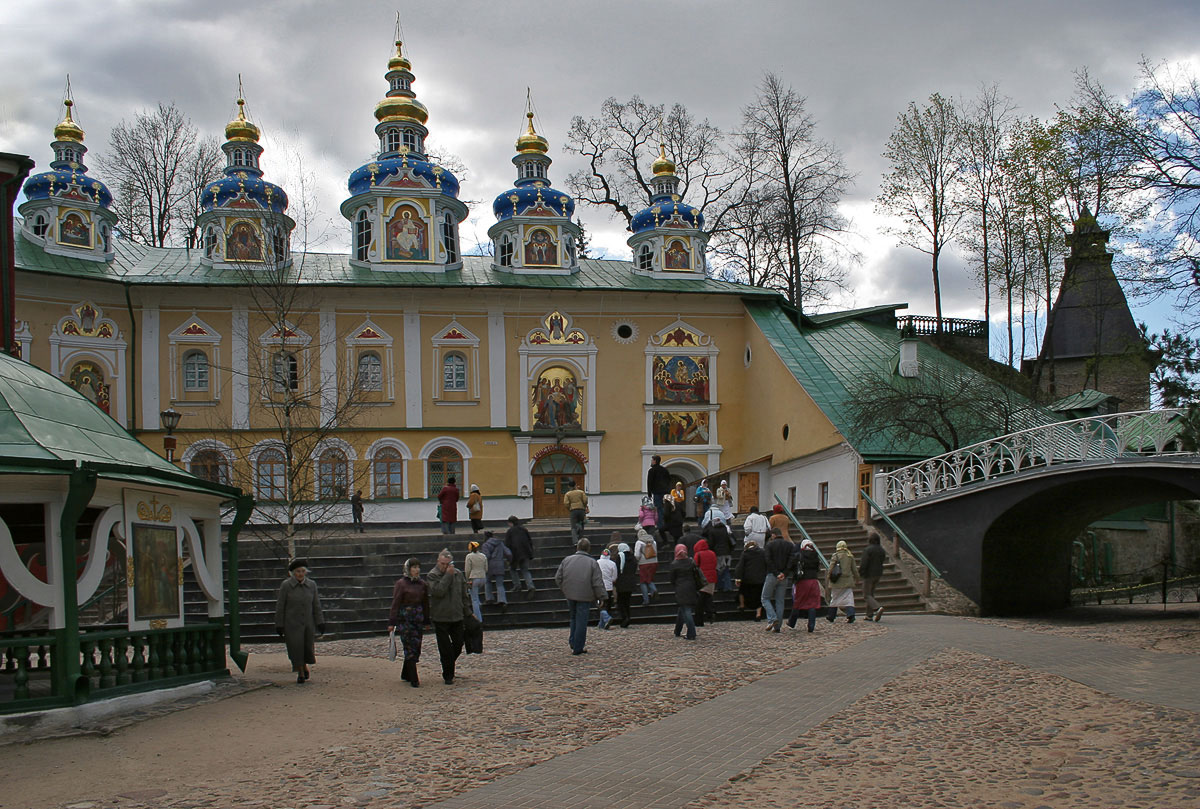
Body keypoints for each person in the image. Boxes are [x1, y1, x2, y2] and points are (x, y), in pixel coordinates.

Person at [275, 559, 325, 684]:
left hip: (307, 622)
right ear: (293, 573)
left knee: (307, 647)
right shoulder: (286, 585)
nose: (300, 574)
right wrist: (279, 624)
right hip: (291, 623)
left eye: (303, 571)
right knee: (295, 648)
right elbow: (280, 606)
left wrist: (320, 621)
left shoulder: (311, 585)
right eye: (298, 571)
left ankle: (304, 666)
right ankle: (300, 672)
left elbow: (316, 604)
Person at [426, 549, 472, 684]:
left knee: (458, 643)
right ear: (438, 562)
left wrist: (468, 612)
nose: (445, 566)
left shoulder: (458, 574)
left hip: (457, 615)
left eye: (447, 564)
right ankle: (448, 674)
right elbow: (438, 591)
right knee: (445, 647)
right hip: (441, 617)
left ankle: (448, 663)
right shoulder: (432, 575)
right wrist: (447, 576)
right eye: (442, 563)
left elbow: (464, 595)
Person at [555, 538, 605, 655]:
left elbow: (558, 578)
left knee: (573, 618)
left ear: (577, 547)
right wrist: (601, 596)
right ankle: (578, 646)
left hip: (570, 594)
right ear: (588, 548)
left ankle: (573, 641)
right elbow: (597, 582)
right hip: (585, 595)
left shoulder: (567, 560)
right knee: (581, 620)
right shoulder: (592, 562)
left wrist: (565, 589)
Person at [388, 557, 430, 687]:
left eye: (418, 567)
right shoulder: (401, 584)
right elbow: (396, 603)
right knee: (409, 646)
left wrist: (427, 620)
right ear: (408, 569)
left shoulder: (422, 584)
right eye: (414, 567)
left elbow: (425, 603)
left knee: (416, 646)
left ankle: (406, 672)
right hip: (405, 618)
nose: (416, 570)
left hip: (417, 618)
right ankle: (413, 678)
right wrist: (392, 622)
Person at [761, 528, 794, 632]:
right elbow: (791, 560)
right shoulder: (789, 545)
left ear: (773, 535)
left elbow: (768, 560)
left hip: (772, 574)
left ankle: (772, 618)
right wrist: (785, 573)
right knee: (780, 601)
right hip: (784, 576)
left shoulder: (769, 545)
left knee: (765, 598)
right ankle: (777, 626)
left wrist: (776, 573)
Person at [788, 538, 824, 632]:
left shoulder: (799, 555)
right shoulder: (815, 555)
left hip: (802, 581)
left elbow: (792, 566)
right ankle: (811, 625)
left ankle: (792, 622)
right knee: (812, 603)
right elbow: (817, 568)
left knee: (798, 601)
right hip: (813, 580)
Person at [668, 544, 700, 640]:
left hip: (680, 587)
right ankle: (677, 630)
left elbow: (672, 579)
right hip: (691, 587)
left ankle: (691, 633)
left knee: (686, 610)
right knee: (683, 609)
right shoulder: (691, 562)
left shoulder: (674, 564)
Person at [826, 540, 859, 623]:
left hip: (836, 581)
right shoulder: (850, 556)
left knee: (835, 598)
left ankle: (831, 615)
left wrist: (828, 577)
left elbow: (831, 568)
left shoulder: (835, 556)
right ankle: (850, 614)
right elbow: (854, 569)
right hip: (847, 581)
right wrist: (857, 578)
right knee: (849, 598)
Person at [734, 539, 767, 620]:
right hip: (760, 578)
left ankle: (742, 605)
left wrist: (738, 577)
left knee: (742, 591)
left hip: (747, 578)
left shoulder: (745, 553)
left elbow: (740, 566)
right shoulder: (763, 552)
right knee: (759, 596)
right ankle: (758, 614)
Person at [505, 515, 537, 596]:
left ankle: (517, 585)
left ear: (510, 523)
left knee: (512, 569)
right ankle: (530, 586)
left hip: (515, 554)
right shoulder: (524, 529)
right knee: (525, 570)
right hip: (525, 553)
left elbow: (507, 545)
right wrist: (530, 553)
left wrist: (508, 557)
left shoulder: (510, 531)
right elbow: (530, 541)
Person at [860, 531, 887, 622]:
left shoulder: (868, 550)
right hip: (878, 574)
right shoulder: (881, 550)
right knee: (871, 593)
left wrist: (861, 573)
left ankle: (877, 608)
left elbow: (864, 563)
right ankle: (869, 614)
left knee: (866, 595)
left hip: (869, 574)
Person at [480, 530, 512, 609]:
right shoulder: (500, 543)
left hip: (489, 565)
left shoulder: (485, 545)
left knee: (487, 582)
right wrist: (509, 561)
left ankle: (489, 598)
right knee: (500, 584)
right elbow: (508, 553)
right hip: (499, 565)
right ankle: (502, 600)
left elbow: (486, 556)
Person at [703, 515, 734, 591]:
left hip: (718, 553)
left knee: (719, 569)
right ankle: (728, 586)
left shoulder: (712, 531)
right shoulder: (725, 530)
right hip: (727, 552)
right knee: (726, 569)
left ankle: (720, 586)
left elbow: (711, 543)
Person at [613, 538, 638, 628]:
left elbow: (617, 569)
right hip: (630, 582)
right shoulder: (633, 557)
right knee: (627, 601)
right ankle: (628, 616)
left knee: (621, 601)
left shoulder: (620, 557)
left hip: (622, 582)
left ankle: (625, 617)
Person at [692, 538, 718, 626]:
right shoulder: (712, 553)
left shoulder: (698, 554)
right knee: (708, 598)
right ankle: (711, 614)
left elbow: (695, 566)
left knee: (700, 602)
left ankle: (699, 621)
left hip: (702, 580)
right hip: (712, 579)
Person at [634, 526, 659, 605]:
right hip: (654, 562)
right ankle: (653, 592)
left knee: (643, 581)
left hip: (644, 563)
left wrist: (637, 562)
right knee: (650, 578)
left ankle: (647, 599)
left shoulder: (639, 542)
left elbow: (637, 555)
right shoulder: (653, 541)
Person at [463, 540, 487, 622]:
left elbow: (467, 570)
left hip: (473, 577)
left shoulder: (469, 556)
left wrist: (467, 579)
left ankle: (478, 619)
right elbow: (486, 568)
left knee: (474, 599)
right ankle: (480, 604)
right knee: (476, 596)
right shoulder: (483, 556)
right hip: (483, 577)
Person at [646, 455, 672, 529]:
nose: (651, 462)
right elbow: (669, 480)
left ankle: (660, 525)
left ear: (655, 461)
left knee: (658, 509)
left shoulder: (652, 470)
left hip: (657, 492)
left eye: (652, 460)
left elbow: (649, 482)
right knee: (666, 508)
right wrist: (668, 490)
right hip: (665, 492)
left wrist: (649, 493)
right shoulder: (664, 470)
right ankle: (667, 524)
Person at [597, 546, 617, 629]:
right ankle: (602, 623)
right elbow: (614, 577)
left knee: (600, 604)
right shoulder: (612, 564)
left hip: (599, 586)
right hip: (609, 587)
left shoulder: (597, 562)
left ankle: (606, 619)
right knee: (607, 605)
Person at [563, 479, 589, 544]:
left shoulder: (568, 494)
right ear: (575, 485)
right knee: (581, 524)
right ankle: (581, 540)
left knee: (573, 526)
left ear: (569, 486)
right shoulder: (581, 492)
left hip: (573, 510)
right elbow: (585, 500)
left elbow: (566, 503)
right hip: (581, 510)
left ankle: (575, 541)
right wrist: (584, 506)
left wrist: (569, 508)